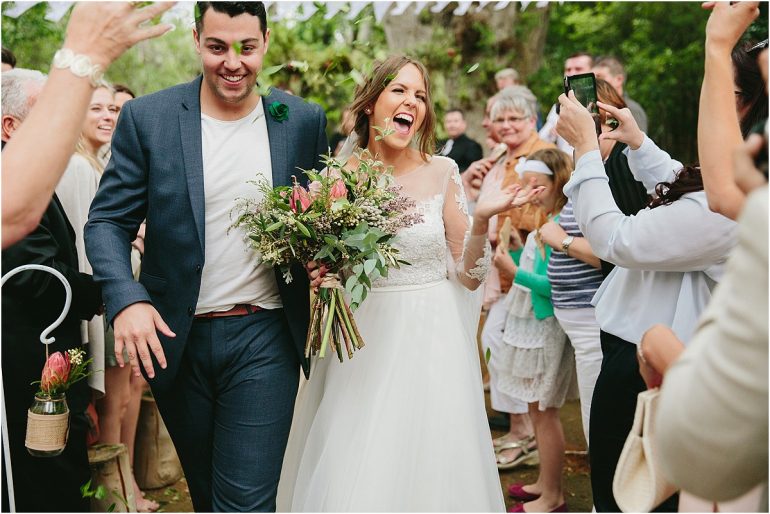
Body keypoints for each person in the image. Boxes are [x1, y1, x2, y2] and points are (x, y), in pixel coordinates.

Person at [84, 2, 328, 511]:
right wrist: (127, 298)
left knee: (244, 502)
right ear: (196, 39)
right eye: (217, 47)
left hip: (265, 336)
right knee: (207, 494)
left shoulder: (301, 121)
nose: (232, 63)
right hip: (175, 339)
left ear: (265, 42)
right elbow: (107, 222)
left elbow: (317, 221)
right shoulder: (147, 119)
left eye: (247, 48)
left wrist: (323, 260)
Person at [277, 55, 530, 512]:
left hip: (432, 339)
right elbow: (323, 261)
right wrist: (322, 272)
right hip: (361, 341)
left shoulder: (443, 172)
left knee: (431, 462)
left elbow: (470, 277)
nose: (412, 102)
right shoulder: (336, 179)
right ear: (370, 103)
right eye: (399, 90)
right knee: (357, 460)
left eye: (421, 96)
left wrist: (482, 221)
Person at [556, 89, 738, 512]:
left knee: (632, 489)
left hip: (655, 362)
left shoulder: (733, 206)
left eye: (726, 99)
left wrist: (586, 150)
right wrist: (638, 143)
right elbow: (687, 185)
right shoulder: (731, 182)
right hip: (635, 348)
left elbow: (615, 240)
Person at [1, 68, 103, 513]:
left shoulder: (26, 172)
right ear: (10, 125)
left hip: (38, 350)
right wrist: (104, 294)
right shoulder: (10, 180)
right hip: (26, 359)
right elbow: (36, 274)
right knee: (47, 483)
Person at [2, 1, 174, 250]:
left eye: (112, 109)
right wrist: (84, 55)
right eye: (94, 108)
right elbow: (15, 217)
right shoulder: (75, 165)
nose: (108, 117)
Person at [466, 85, 556, 470]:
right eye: (500, 119)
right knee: (494, 340)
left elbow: (544, 207)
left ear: (532, 119)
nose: (506, 125)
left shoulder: (541, 155)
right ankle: (520, 428)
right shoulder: (500, 156)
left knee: (507, 343)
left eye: (515, 118)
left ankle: (526, 432)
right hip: (500, 264)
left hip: (527, 262)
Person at [492, 149, 576, 513]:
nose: (531, 192)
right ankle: (544, 482)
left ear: (559, 181)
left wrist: (511, 271)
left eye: (537, 185)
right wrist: (515, 254)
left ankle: (554, 495)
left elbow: (552, 286)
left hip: (546, 328)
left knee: (544, 410)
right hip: (534, 327)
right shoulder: (548, 219)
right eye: (526, 184)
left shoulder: (561, 224)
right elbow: (536, 270)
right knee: (536, 407)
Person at [539, 52, 593, 153]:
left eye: (578, 69)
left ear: (593, 72)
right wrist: (553, 132)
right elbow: (541, 140)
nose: (571, 73)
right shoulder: (559, 107)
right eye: (568, 70)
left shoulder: (604, 105)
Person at [592, 56, 648, 132]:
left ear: (619, 80)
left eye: (599, 77)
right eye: (593, 78)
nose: (595, 82)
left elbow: (636, 138)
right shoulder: (596, 107)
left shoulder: (632, 109)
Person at [439, 108, 483, 172]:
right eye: (448, 121)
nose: (451, 125)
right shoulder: (439, 143)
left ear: (464, 124)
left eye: (456, 121)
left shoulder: (472, 146)